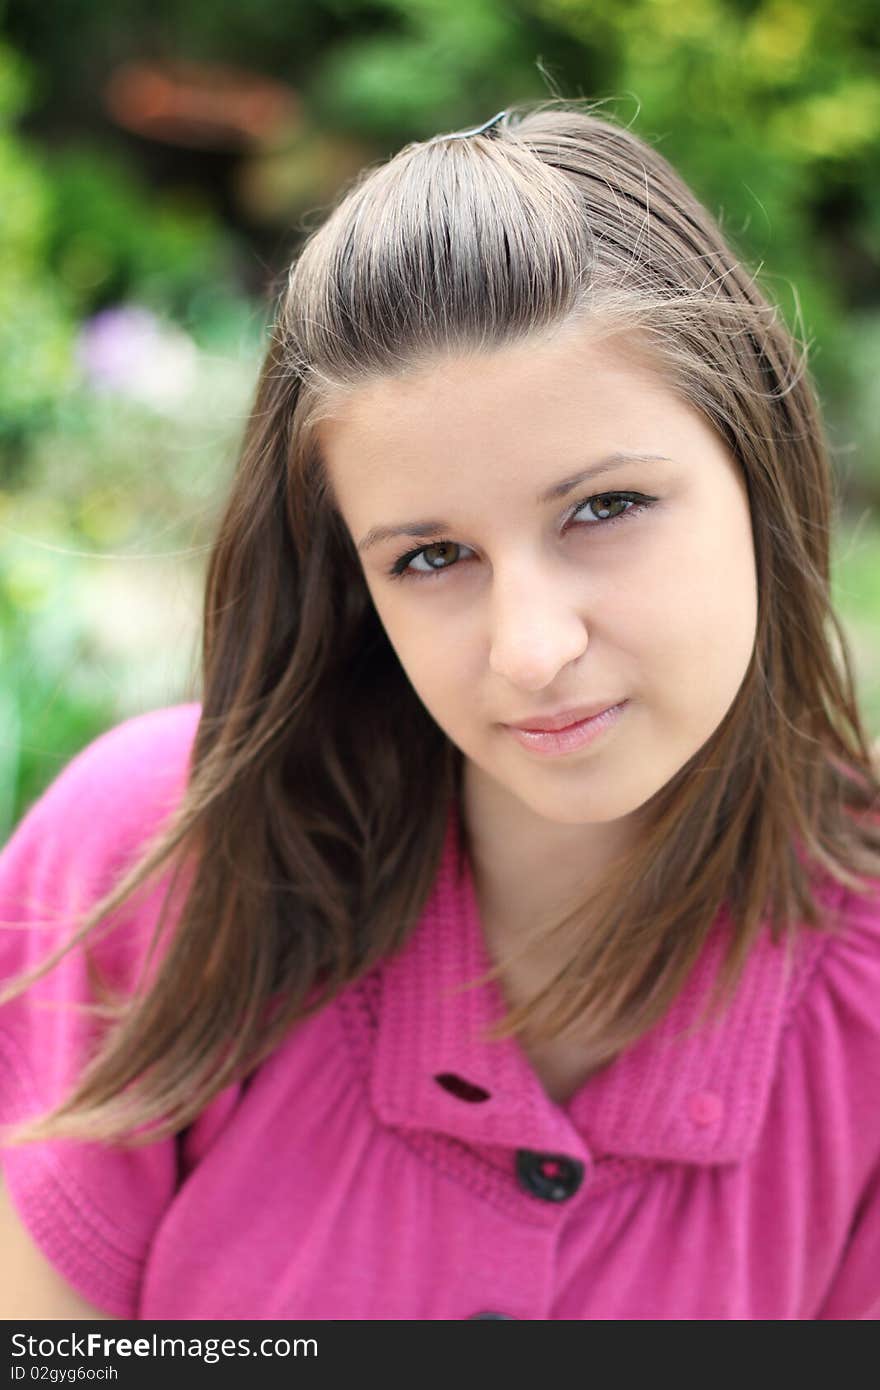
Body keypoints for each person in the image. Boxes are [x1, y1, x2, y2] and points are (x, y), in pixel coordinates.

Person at [1, 98, 879, 1322]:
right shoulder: (157, 859)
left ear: (760, 458)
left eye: (604, 508)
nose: (530, 650)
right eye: (428, 558)